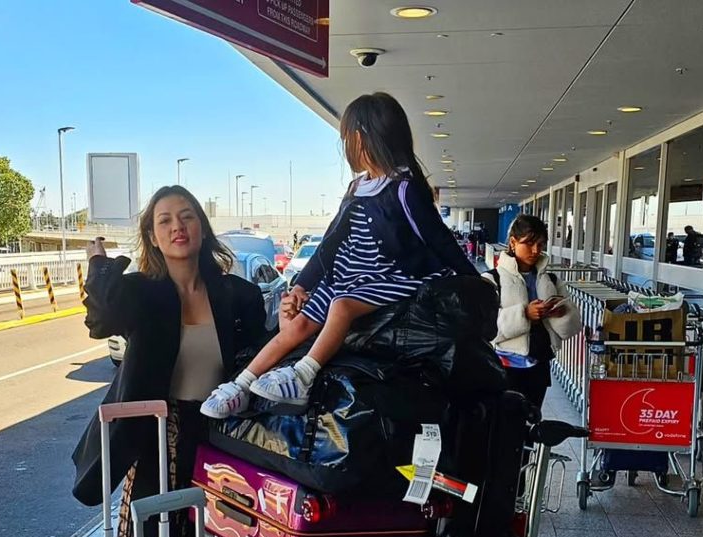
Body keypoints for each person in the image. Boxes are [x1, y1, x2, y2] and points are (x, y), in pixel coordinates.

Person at [200, 91, 479, 419]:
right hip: (348, 276)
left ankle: (302, 376)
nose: (345, 143)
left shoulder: (404, 188)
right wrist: (301, 286)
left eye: (347, 136)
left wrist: (477, 282)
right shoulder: (357, 187)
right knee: (297, 325)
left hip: (393, 275)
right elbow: (330, 244)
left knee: (341, 307)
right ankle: (242, 384)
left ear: (362, 138)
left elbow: (439, 240)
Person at [72, 185, 269, 537]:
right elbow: (100, 323)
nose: (177, 226)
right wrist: (98, 267)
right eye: (165, 220)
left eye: (187, 216)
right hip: (156, 438)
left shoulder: (238, 294)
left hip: (221, 439)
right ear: (152, 236)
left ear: (202, 227)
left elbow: (258, 361)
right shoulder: (140, 292)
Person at [486, 214, 582, 410]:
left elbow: (572, 326)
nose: (536, 250)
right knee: (504, 425)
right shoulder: (492, 279)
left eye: (541, 244)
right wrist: (524, 314)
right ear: (513, 242)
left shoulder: (551, 280)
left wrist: (559, 314)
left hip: (539, 363)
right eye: (529, 243)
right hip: (503, 367)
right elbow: (484, 326)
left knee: (531, 422)